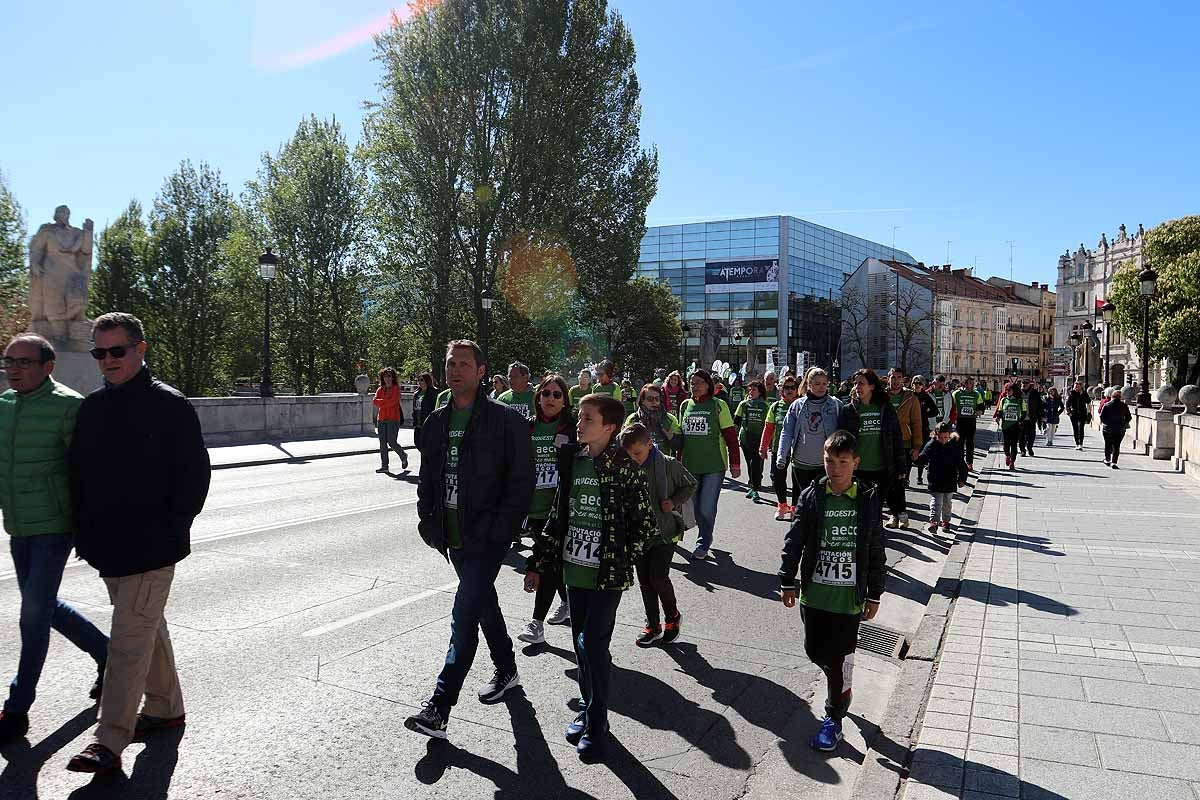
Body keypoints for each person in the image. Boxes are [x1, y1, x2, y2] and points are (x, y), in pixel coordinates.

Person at [66, 313, 210, 774]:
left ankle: (109, 740)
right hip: (109, 550)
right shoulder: (91, 408)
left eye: (117, 351)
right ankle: (166, 709)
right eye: (99, 353)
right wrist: (85, 534)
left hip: (152, 549)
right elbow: (79, 479)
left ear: (140, 349)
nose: (107, 360)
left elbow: (194, 478)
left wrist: (169, 530)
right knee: (146, 628)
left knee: (127, 643)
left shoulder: (170, 405)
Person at [405, 340, 534, 740]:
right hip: (452, 534)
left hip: (488, 536)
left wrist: (502, 530)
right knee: (482, 602)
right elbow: (427, 479)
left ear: (481, 372)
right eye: (449, 364)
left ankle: (439, 707)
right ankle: (507, 668)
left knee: (464, 616)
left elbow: (521, 481)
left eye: (463, 364)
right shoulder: (436, 422)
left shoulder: (506, 420)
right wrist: (428, 520)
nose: (454, 370)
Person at [524, 394, 657, 760]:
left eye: (587, 419)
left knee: (590, 644)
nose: (578, 424)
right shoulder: (572, 462)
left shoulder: (625, 468)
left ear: (610, 427)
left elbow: (645, 526)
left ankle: (598, 723)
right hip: (573, 571)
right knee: (582, 647)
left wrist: (618, 558)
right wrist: (538, 563)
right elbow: (557, 518)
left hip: (606, 575)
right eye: (579, 417)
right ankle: (587, 709)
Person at [0, 334, 109, 744]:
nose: (14, 368)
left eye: (24, 362)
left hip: (54, 526)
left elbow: (85, 473)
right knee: (44, 605)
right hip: (19, 525)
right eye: (9, 360)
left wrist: (87, 529)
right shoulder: (4, 407)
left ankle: (16, 709)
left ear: (48, 366)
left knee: (32, 614)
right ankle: (108, 655)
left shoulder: (69, 406)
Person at [779, 430, 885, 752]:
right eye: (829, 461)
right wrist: (787, 579)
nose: (835, 468)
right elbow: (794, 539)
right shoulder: (812, 496)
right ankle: (840, 687)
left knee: (839, 660)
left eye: (842, 462)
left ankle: (834, 717)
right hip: (815, 594)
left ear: (855, 463)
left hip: (848, 601)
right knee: (815, 652)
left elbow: (876, 548)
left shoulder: (866, 500)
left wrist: (874, 593)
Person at [621, 423, 696, 647]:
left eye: (637, 453)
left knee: (658, 577)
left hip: (665, 531)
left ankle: (672, 617)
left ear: (649, 444)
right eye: (629, 454)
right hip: (639, 532)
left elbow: (690, 484)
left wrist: (673, 501)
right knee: (644, 580)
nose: (634, 458)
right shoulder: (627, 465)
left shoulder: (669, 465)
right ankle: (653, 625)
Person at [516, 375, 575, 645]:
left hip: (561, 510)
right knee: (553, 562)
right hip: (534, 509)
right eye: (546, 393)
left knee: (548, 564)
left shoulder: (572, 427)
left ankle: (536, 624)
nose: (551, 398)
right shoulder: (527, 428)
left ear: (564, 401)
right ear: (538, 397)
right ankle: (567, 603)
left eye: (557, 394)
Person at [677, 370, 741, 561]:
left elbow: (730, 436)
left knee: (706, 506)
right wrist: (678, 463)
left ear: (707, 385)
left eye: (698, 382)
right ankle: (705, 532)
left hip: (714, 465)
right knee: (696, 506)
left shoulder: (718, 405)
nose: (694, 386)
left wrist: (735, 463)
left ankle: (704, 541)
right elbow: (682, 437)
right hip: (690, 465)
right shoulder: (684, 406)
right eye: (691, 382)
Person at [776, 368, 854, 523]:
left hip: (826, 465)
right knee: (805, 504)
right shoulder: (797, 406)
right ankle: (802, 538)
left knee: (822, 504)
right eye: (817, 383)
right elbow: (787, 432)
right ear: (809, 384)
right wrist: (781, 456)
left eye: (824, 383)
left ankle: (819, 539)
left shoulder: (836, 405)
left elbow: (844, 435)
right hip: (801, 464)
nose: (821, 387)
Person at [847, 369, 905, 519]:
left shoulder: (885, 408)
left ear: (872, 386)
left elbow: (896, 437)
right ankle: (865, 538)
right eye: (856, 384)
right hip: (858, 469)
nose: (857, 387)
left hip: (882, 469)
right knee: (860, 508)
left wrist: (900, 466)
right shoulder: (850, 410)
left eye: (861, 383)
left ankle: (875, 538)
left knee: (876, 508)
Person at [886, 367, 923, 528]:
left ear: (903, 379)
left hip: (905, 444)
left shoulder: (910, 397)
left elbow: (916, 423)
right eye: (892, 377)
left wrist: (917, 446)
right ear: (888, 378)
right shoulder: (882, 397)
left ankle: (900, 515)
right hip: (886, 444)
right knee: (888, 481)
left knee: (900, 481)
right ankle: (895, 515)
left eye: (898, 377)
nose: (895, 380)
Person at [916, 422, 969, 534]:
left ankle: (946, 521)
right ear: (936, 435)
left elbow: (961, 464)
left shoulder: (954, 446)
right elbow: (923, 458)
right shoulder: (932, 445)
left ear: (949, 435)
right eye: (940, 437)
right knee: (936, 502)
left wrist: (962, 479)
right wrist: (916, 458)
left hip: (950, 480)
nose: (943, 440)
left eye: (945, 437)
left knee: (947, 503)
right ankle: (934, 522)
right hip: (935, 479)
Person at [624, 383, 682, 457]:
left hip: (662, 465)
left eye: (657, 399)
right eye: (650, 399)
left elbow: (679, 446)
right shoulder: (633, 419)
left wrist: (671, 438)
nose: (654, 402)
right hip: (638, 465)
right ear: (642, 401)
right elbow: (623, 445)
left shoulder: (669, 419)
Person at [734, 380, 769, 501]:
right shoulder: (743, 404)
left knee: (755, 463)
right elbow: (736, 421)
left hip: (759, 439)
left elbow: (769, 424)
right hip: (745, 438)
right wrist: (733, 438)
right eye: (749, 389)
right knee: (749, 464)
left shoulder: (765, 406)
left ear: (760, 392)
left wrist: (768, 441)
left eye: (754, 390)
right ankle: (752, 484)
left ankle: (755, 488)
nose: (750, 392)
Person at [373, 367, 409, 473]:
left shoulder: (396, 389)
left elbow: (393, 402)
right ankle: (385, 466)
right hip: (381, 419)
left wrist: (382, 402)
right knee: (382, 443)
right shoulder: (380, 389)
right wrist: (385, 401)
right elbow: (375, 401)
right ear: (382, 378)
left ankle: (403, 455)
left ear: (393, 378)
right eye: (385, 376)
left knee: (392, 442)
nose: (387, 378)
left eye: (389, 376)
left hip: (393, 419)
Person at [911, 375, 940, 485]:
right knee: (908, 451)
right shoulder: (909, 395)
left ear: (923, 386)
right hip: (910, 427)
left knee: (921, 452)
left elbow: (935, 411)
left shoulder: (926, 397)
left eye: (919, 384)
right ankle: (906, 477)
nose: (917, 386)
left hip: (922, 427)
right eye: (915, 383)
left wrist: (924, 414)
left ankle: (919, 476)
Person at [993, 382, 1028, 470]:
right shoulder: (1004, 400)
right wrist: (998, 417)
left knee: (1014, 445)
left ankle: (1012, 461)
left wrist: (1020, 421)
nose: (1007, 392)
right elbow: (1000, 411)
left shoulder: (1020, 401)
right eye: (1006, 390)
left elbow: (1024, 413)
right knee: (1006, 445)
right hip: (1006, 426)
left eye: (1009, 390)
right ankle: (1007, 455)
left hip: (1016, 426)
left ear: (1014, 391)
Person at [952, 376, 980, 471]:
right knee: (959, 443)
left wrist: (979, 410)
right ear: (964, 384)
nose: (972, 385)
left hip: (971, 421)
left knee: (970, 443)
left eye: (973, 383)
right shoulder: (956, 394)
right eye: (970, 383)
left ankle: (969, 463)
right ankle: (959, 463)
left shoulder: (976, 394)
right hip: (960, 421)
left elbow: (981, 405)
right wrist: (953, 418)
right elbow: (951, 406)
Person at [1100, 387, 1133, 469]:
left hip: (1107, 428)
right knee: (1116, 446)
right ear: (1120, 397)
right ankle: (1114, 462)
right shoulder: (1124, 405)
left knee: (1107, 444)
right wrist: (1123, 424)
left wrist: (1107, 423)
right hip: (1119, 429)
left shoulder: (1107, 405)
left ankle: (1107, 460)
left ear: (1112, 396)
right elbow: (1129, 417)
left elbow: (1102, 417)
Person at [1065, 380, 1091, 450]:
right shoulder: (1071, 394)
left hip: (1082, 413)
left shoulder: (1084, 393)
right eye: (1075, 386)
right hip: (1074, 413)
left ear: (1081, 387)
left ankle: (1081, 443)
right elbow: (1067, 404)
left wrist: (1089, 413)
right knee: (1075, 429)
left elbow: (1088, 403)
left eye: (1078, 387)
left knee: (1081, 428)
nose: (1077, 388)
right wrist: (1069, 412)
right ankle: (1077, 443)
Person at [1021, 379, 1044, 457]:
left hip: (1032, 417)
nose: (1024, 385)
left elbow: (1040, 405)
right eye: (1023, 383)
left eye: (1026, 383)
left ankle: (1029, 447)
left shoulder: (1035, 393)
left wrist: (1041, 416)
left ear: (1029, 384)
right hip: (1021, 418)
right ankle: (1022, 450)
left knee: (1031, 435)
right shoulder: (1018, 393)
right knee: (1021, 436)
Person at [413, 372, 438, 441]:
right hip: (418, 422)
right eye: (418, 380)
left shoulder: (433, 392)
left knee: (426, 442)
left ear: (427, 380)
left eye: (421, 380)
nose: (419, 382)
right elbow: (414, 408)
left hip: (427, 421)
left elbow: (435, 407)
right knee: (417, 441)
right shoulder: (416, 393)